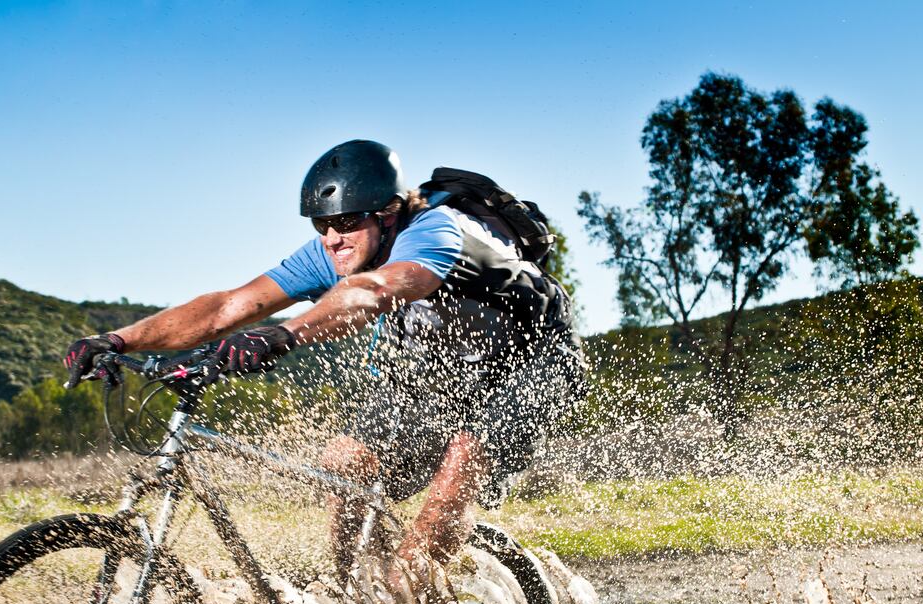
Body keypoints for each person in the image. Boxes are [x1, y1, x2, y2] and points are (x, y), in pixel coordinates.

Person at [63, 139, 585, 577]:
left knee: (464, 457)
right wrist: (118, 339)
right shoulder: (334, 250)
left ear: (388, 214)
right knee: (345, 460)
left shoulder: (436, 229)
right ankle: (349, 594)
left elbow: (379, 290)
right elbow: (229, 306)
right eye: (321, 224)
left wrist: (282, 335)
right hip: (440, 371)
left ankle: (409, 601)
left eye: (348, 222)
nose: (333, 238)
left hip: (533, 360)